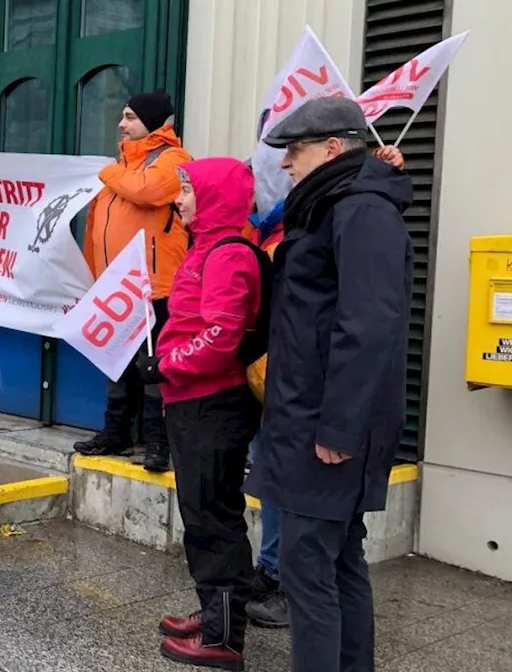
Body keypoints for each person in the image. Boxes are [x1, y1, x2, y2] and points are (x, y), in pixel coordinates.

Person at [244, 97, 413, 672]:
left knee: (308, 570)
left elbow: (368, 327)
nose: (286, 164)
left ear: (333, 148)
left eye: (295, 150)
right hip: (307, 420)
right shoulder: (330, 206)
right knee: (335, 563)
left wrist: (340, 426)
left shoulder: (360, 211)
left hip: (328, 428)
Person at [132, 158, 263, 670]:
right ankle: (214, 613)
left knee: (213, 517)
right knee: (203, 513)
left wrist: (165, 365)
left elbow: (221, 336)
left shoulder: (229, 256)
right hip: (193, 403)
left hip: (212, 405)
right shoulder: (205, 249)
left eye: (186, 191)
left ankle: (224, 636)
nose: (178, 200)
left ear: (213, 198)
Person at [74, 91, 192, 472]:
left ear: (153, 121)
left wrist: (106, 171)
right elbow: (95, 228)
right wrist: (96, 281)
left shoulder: (174, 160)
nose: (121, 125)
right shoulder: (121, 168)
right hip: (117, 289)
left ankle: (159, 443)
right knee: (116, 364)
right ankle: (116, 432)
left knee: (155, 367)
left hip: (156, 287)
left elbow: (149, 192)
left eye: (129, 117)